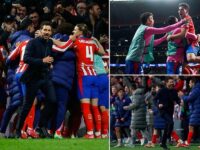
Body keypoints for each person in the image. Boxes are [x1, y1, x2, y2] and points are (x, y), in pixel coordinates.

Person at [15, 21, 74, 138]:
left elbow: (60, 50)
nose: (47, 32)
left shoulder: (50, 42)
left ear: (51, 32)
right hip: (33, 78)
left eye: (49, 30)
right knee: (27, 105)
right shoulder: (32, 43)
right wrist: (42, 61)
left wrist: (71, 40)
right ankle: (18, 130)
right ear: (41, 31)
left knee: (52, 101)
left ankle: (41, 126)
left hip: (45, 77)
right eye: (45, 30)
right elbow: (26, 58)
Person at [52, 23, 105, 138]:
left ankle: (90, 133)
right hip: (94, 75)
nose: (73, 32)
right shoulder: (91, 42)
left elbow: (62, 46)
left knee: (85, 106)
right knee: (94, 106)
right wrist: (96, 40)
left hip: (84, 77)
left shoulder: (76, 41)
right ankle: (99, 133)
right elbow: (102, 52)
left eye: (75, 30)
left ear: (80, 32)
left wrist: (51, 40)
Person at [155, 77, 180, 150]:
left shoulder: (174, 91)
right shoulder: (162, 90)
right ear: (166, 83)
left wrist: (179, 102)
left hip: (170, 111)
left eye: (173, 82)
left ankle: (163, 143)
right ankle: (169, 137)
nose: (172, 83)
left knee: (166, 127)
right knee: (171, 123)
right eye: (170, 82)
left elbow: (176, 99)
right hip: (163, 111)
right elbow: (154, 99)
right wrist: (158, 105)